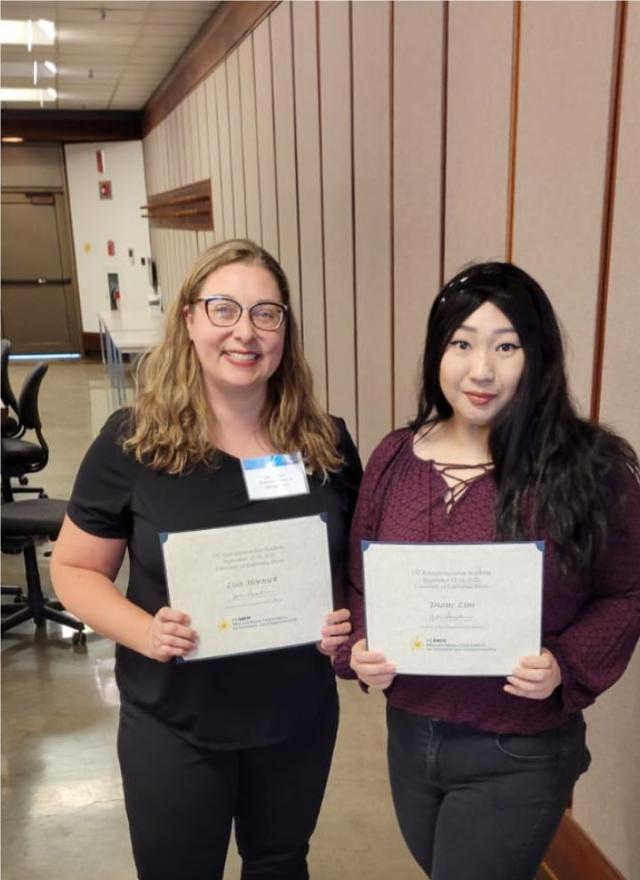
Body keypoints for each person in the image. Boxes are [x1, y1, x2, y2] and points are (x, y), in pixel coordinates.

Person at [51, 239, 362, 880]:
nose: (244, 332)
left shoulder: (325, 443)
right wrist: (145, 631)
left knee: (279, 863)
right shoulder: (133, 442)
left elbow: (353, 565)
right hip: (175, 717)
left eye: (265, 314)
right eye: (224, 309)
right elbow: (75, 570)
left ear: (285, 331)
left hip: (295, 716)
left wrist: (347, 615)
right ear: (190, 320)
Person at [333, 262, 640, 880]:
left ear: (539, 356)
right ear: (437, 352)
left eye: (506, 346)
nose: (481, 370)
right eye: (462, 343)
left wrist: (565, 664)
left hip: (518, 744)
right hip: (410, 733)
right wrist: (361, 644)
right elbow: (363, 579)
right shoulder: (395, 455)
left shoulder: (590, 468)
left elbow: (626, 590)